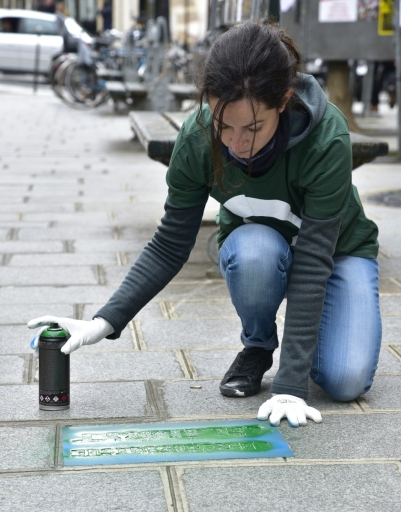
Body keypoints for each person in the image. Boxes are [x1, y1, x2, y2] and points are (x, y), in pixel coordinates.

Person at [28, 22, 381, 428]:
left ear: (283, 101)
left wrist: (291, 385)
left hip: (339, 252)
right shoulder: (197, 139)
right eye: (222, 124)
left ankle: (311, 343)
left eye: (253, 127)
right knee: (253, 254)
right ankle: (258, 346)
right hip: (261, 248)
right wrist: (104, 320)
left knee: (345, 380)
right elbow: (169, 245)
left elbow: (315, 261)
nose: (236, 143)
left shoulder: (326, 138)